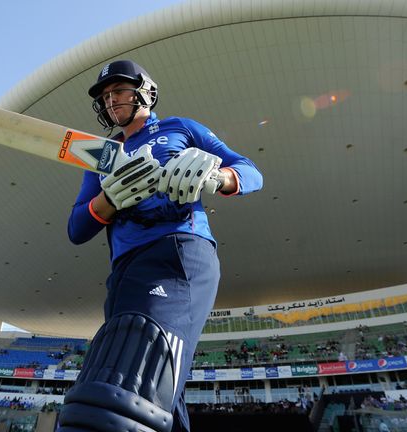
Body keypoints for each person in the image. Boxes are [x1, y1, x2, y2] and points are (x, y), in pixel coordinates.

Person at [58, 60, 262, 432]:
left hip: (178, 252)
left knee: (127, 384)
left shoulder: (179, 128)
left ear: (146, 92)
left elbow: (251, 171)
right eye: (105, 96)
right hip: (123, 271)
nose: (110, 101)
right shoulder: (100, 153)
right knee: (157, 388)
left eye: (118, 91)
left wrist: (218, 177)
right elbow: (77, 228)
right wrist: (110, 199)